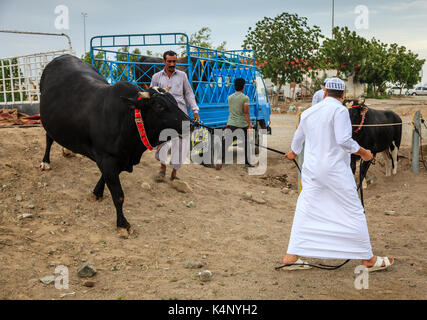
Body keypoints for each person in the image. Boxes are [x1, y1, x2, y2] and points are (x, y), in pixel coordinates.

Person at [282, 78, 394, 272]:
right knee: (353, 209)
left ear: (325, 92)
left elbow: (298, 138)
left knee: (305, 207)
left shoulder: (308, 112)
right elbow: (344, 140)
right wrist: (364, 153)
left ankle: (291, 256)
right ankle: (368, 259)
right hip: (334, 170)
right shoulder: (340, 110)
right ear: (342, 95)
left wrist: (293, 152)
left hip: (312, 170)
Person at [150, 50, 200, 181]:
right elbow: (151, 95)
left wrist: (195, 110)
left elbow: (188, 93)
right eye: (169, 61)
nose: (172, 64)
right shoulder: (156, 77)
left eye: (174, 61)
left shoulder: (182, 75)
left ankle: (174, 173)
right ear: (164, 62)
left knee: (181, 144)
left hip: (181, 114)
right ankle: (162, 168)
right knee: (163, 141)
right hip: (164, 116)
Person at [215, 78, 253, 170]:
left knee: (225, 144)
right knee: (246, 144)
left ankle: (219, 161)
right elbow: (246, 112)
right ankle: (247, 163)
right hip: (242, 124)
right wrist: (249, 125)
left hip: (231, 123)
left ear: (235, 86)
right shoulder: (245, 98)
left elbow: (232, 110)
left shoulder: (230, 97)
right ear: (243, 87)